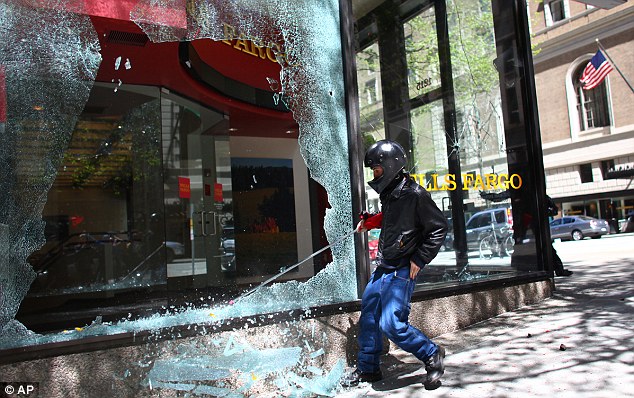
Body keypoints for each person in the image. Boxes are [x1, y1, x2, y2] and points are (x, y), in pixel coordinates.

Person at [342, 140, 448, 389]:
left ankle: (432, 354)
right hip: (384, 266)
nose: (374, 175)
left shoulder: (415, 194)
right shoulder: (391, 193)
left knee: (391, 323)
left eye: (376, 169)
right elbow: (394, 220)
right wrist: (369, 222)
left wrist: (419, 258)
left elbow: (438, 227)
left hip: (402, 269)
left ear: (390, 166)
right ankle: (368, 369)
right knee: (369, 314)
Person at [546, 195, 572, 276]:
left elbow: (554, 209)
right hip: (534, 231)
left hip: (540, 230)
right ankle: (558, 270)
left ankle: (559, 270)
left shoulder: (543, 197)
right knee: (550, 251)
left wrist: (546, 213)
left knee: (550, 251)